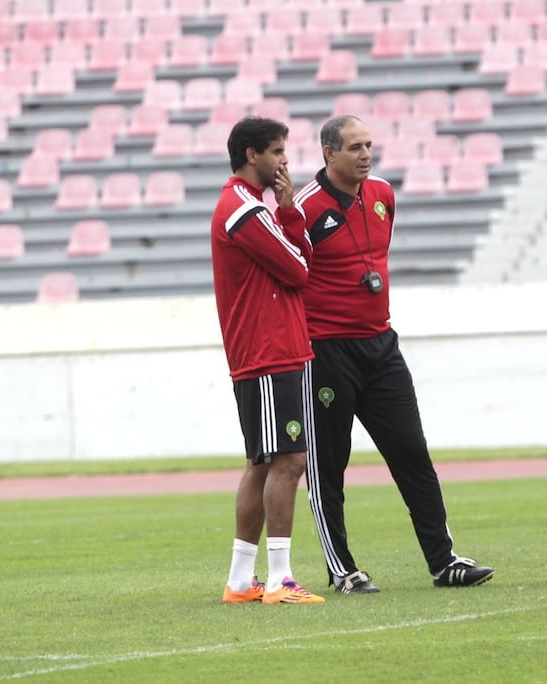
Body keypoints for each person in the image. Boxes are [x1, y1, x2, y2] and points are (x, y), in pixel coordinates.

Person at [294, 115, 493, 594]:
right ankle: (342, 568)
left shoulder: (383, 194)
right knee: (328, 464)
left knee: (412, 453)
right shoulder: (303, 208)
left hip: (381, 345)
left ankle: (444, 561)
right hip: (326, 351)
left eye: (369, 145)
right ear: (328, 154)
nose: (365, 154)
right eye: (354, 147)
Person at [211, 117, 324, 605]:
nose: (285, 161)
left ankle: (241, 580)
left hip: (271, 349)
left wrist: (284, 211)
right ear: (251, 155)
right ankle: (279, 578)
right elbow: (300, 269)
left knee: (262, 461)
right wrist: (289, 209)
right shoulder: (243, 209)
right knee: (289, 459)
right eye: (277, 151)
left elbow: (298, 263)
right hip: (267, 351)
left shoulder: (248, 206)